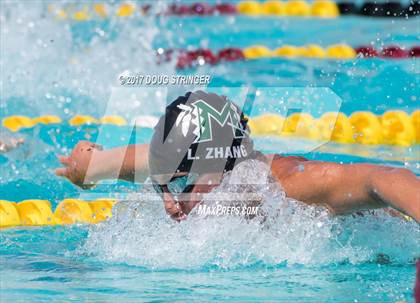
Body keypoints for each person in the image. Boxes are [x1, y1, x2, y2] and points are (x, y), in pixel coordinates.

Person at [55, 91, 420, 222]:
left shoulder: (289, 187)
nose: (169, 204)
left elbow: (386, 177)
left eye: (180, 184)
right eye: (160, 185)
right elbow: (89, 163)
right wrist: (79, 167)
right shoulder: (168, 160)